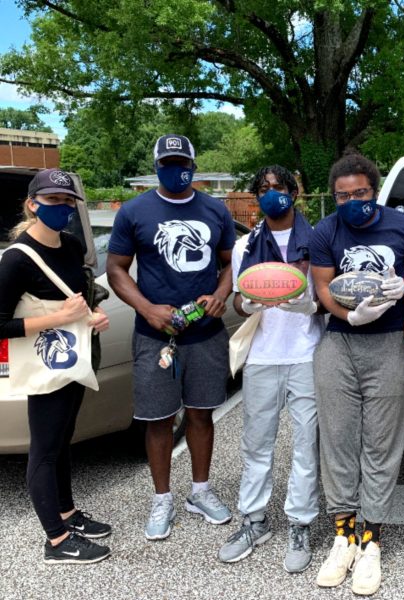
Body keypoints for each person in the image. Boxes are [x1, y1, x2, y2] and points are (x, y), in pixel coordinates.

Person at [107, 134, 236, 540]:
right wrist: (146, 308)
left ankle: (200, 491)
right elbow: (116, 269)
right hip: (155, 334)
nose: (175, 168)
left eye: (182, 161)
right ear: (157, 164)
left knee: (201, 413)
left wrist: (219, 294)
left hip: (205, 333)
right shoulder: (134, 211)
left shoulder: (216, 210)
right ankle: (162, 498)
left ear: (194, 165)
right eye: (167, 162)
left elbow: (232, 263)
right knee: (158, 419)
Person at [310, 153, 404, 595]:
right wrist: (347, 314)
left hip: (389, 343)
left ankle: (371, 540)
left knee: (382, 441)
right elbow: (322, 285)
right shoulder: (327, 230)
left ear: (374, 191)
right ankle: (343, 535)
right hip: (340, 342)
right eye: (343, 195)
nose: (352, 201)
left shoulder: (402, 225)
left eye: (360, 193)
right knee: (338, 439)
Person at [0, 169, 111, 563]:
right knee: (44, 450)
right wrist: (59, 319)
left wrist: (93, 313)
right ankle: (58, 541)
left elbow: (79, 295)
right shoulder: (16, 259)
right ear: (32, 205)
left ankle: (67, 512)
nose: (61, 209)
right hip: (45, 360)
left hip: (72, 358)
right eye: (52, 201)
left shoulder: (71, 246)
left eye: (67, 202)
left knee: (63, 440)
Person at [217, 165, 325, 572]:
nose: (271, 194)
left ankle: (299, 523)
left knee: (304, 447)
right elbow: (238, 301)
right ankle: (254, 520)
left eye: (279, 187)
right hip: (262, 356)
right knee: (256, 445)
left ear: (294, 194)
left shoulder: (316, 241)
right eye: (263, 188)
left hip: (305, 353)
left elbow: (326, 297)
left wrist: (309, 304)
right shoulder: (247, 246)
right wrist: (250, 304)